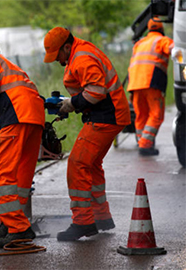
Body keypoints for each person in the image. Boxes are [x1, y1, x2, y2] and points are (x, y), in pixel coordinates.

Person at [43, 27, 131, 241]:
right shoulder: (80, 53)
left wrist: (70, 104)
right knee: (91, 165)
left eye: (58, 56)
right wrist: (70, 104)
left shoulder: (81, 57)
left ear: (66, 46)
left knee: (77, 163)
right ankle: (101, 218)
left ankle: (83, 222)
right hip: (110, 114)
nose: (57, 61)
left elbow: (96, 92)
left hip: (106, 117)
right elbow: (91, 90)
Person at [0, 37, 45, 247]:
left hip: (17, 115)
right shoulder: (8, 65)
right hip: (34, 117)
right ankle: (11, 224)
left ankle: (19, 228)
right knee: (19, 176)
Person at [127, 17, 174, 156]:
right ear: (161, 29)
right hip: (151, 82)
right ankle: (145, 145)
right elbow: (174, 50)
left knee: (141, 114)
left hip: (135, 84)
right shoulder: (162, 40)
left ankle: (141, 140)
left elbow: (133, 64)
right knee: (156, 114)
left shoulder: (139, 43)